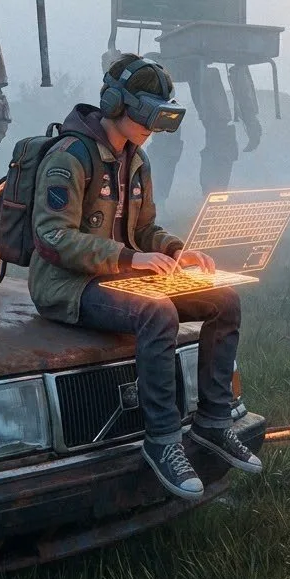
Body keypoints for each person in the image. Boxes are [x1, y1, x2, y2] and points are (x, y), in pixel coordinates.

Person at [29, 53, 262, 500]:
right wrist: (127, 259)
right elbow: (52, 237)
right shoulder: (69, 158)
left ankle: (214, 421)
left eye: (159, 119)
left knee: (224, 299)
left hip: (118, 276)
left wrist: (176, 250)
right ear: (115, 103)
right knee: (156, 315)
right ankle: (163, 441)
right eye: (144, 116)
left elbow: (144, 230)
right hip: (68, 285)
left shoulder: (137, 162)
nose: (151, 128)